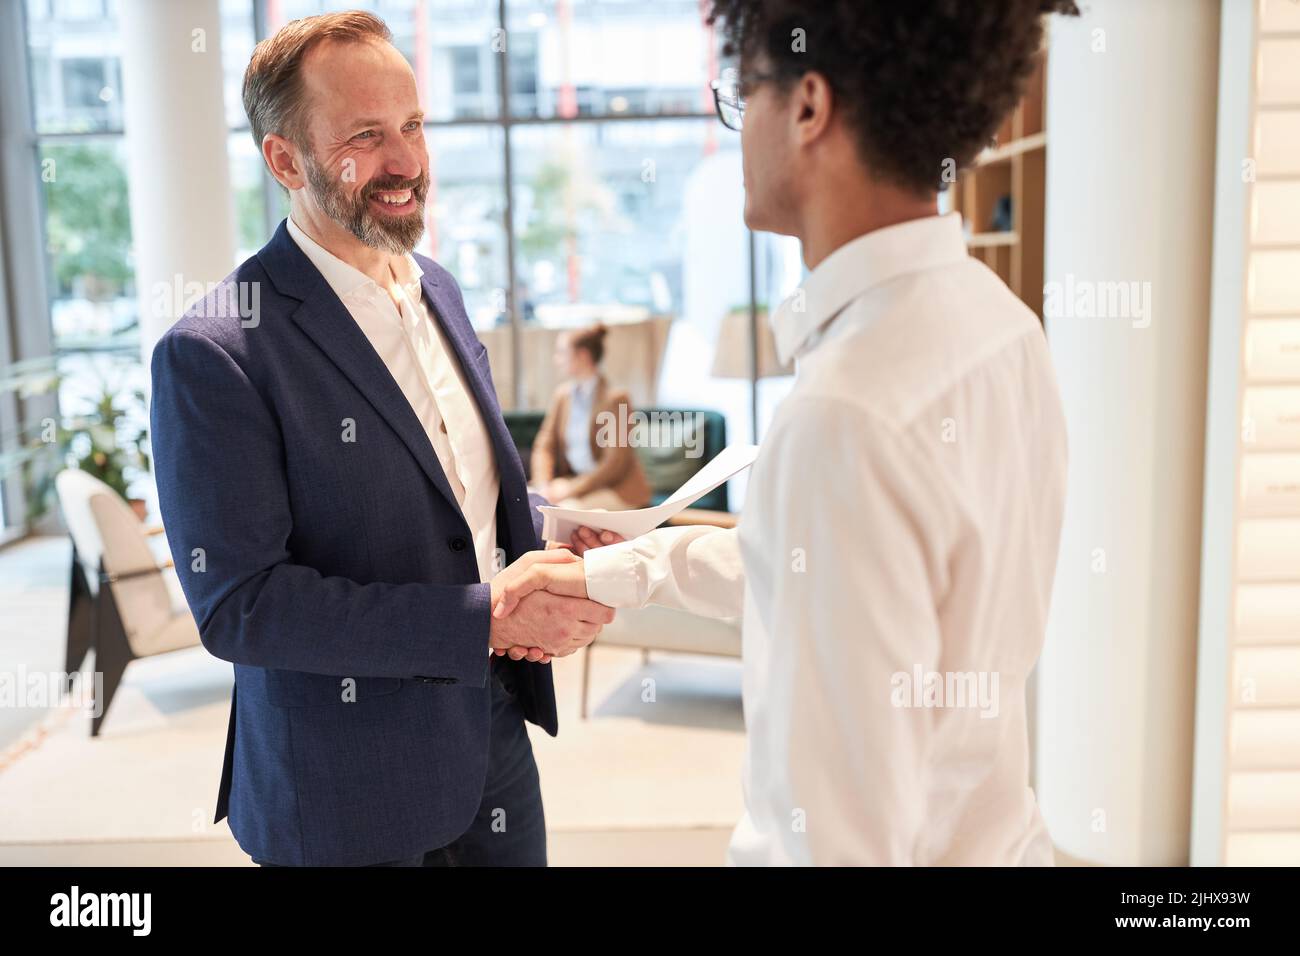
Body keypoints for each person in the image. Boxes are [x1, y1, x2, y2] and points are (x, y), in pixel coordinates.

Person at [494, 0, 1079, 865]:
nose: (737, 129)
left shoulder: (847, 412)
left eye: (742, 94)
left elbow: (831, 845)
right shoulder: (1000, 325)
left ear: (807, 106)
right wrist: (618, 571)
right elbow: (836, 572)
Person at [149, 11, 612, 868]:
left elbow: (448, 493)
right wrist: (484, 616)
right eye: (367, 135)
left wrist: (546, 525)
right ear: (285, 159)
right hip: (342, 788)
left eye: (412, 127)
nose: (405, 162)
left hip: (491, 737)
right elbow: (241, 606)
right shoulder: (215, 352)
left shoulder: (437, 287)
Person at [531, 322, 653, 511]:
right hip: (577, 486)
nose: (556, 359)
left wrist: (570, 490)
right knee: (525, 501)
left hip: (615, 490)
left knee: (564, 510)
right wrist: (543, 486)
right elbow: (544, 445)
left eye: (562, 353)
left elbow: (613, 465)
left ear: (583, 356)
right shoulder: (562, 396)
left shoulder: (616, 399)